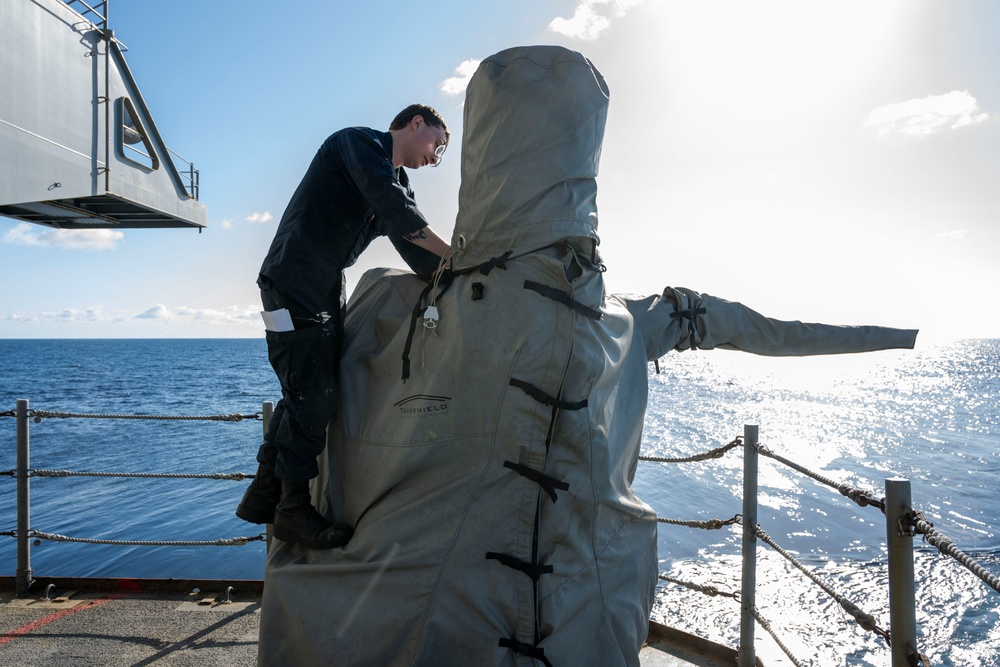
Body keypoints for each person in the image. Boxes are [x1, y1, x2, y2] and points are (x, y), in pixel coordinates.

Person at [235, 104, 453, 549]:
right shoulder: (356, 143)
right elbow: (399, 215)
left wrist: (461, 280)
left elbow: (413, 249)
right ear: (417, 124)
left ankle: (264, 493)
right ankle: (293, 509)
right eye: (438, 144)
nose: (437, 157)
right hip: (292, 280)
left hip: (324, 287)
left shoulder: (398, 181)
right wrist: (459, 255)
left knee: (303, 389)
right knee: (313, 396)